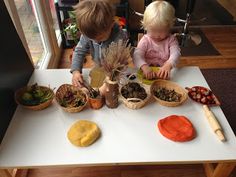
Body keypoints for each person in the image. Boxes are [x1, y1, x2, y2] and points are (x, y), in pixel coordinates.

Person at [70, 0, 127, 87]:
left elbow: (119, 62)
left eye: (100, 38)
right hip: (98, 66)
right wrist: (76, 71)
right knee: (95, 88)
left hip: (116, 70)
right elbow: (79, 51)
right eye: (92, 39)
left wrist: (109, 77)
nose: (96, 41)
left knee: (115, 91)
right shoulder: (88, 34)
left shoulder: (119, 36)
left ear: (111, 25)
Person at [133, 0, 181, 80]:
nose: (157, 35)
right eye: (153, 31)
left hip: (164, 75)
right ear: (146, 27)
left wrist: (169, 64)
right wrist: (144, 66)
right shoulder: (145, 40)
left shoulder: (171, 40)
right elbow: (137, 55)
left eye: (162, 31)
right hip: (146, 75)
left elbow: (176, 54)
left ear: (169, 27)